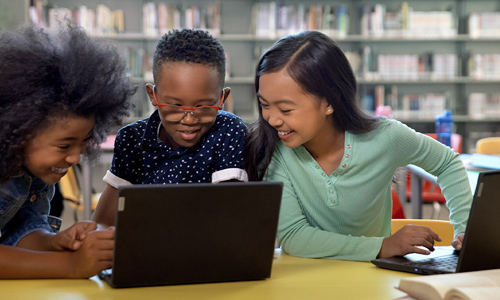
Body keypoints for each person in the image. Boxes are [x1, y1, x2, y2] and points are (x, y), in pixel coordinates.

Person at [244, 31, 472, 261]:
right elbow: (295, 237)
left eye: (285, 109)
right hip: (306, 281)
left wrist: (464, 228)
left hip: (373, 283)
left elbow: (447, 163)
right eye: (264, 105)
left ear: (329, 101)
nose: (272, 119)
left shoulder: (385, 136)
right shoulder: (272, 149)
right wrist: (382, 246)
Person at [0, 23, 136, 278]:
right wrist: (71, 266)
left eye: (84, 140)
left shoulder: (35, 175)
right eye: (64, 145)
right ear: (17, 131)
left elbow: (19, 233)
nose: (75, 157)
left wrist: (55, 243)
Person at [93, 28, 248, 227]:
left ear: (222, 99)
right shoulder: (133, 139)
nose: (189, 119)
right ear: (153, 95)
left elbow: (229, 218)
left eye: (203, 107)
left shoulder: (229, 131)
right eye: (174, 106)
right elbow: (102, 223)